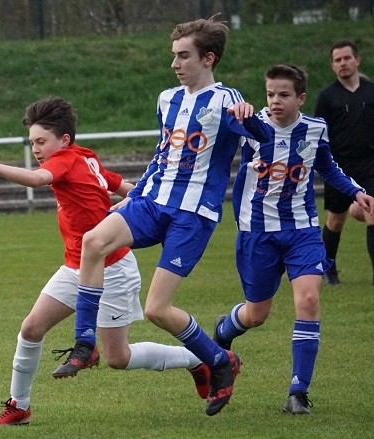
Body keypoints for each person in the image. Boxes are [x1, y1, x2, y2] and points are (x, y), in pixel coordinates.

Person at [54, 17, 268, 416]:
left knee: (156, 310)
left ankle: (219, 361)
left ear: (208, 58)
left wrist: (250, 118)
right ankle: (85, 343)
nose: (175, 64)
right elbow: (161, 155)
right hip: (153, 202)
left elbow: (265, 139)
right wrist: (133, 197)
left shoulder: (226, 100)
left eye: (183, 56)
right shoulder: (167, 99)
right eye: (174, 56)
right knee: (93, 242)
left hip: (192, 215)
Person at [0, 97, 210, 426]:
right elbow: (125, 187)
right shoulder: (85, 157)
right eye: (32, 143)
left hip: (113, 269)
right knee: (31, 327)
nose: (36, 149)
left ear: (64, 140)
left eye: (41, 141)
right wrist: (134, 200)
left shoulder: (65, 160)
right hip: (76, 267)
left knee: (118, 357)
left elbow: (36, 180)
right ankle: (20, 406)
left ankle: (197, 359)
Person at [214, 64, 374, 415]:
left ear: (301, 98)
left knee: (309, 300)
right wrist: (236, 108)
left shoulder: (315, 128)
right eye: (270, 94)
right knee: (256, 314)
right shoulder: (251, 125)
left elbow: (326, 166)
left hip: (303, 230)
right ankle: (223, 331)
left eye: (284, 95)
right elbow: (222, 120)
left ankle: (298, 392)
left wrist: (356, 191)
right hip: (258, 232)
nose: (275, 101)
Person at [315, 40, 374, 286]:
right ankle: (328, 270)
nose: (343, 63)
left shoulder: (371, 91)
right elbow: (318, 134)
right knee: (335, 221)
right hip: (339, 168)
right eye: (337, 60)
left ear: (357, 60)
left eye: (347, 58)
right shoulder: (327, 97)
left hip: (369, 164)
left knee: (373, 213)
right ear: (332, 66)